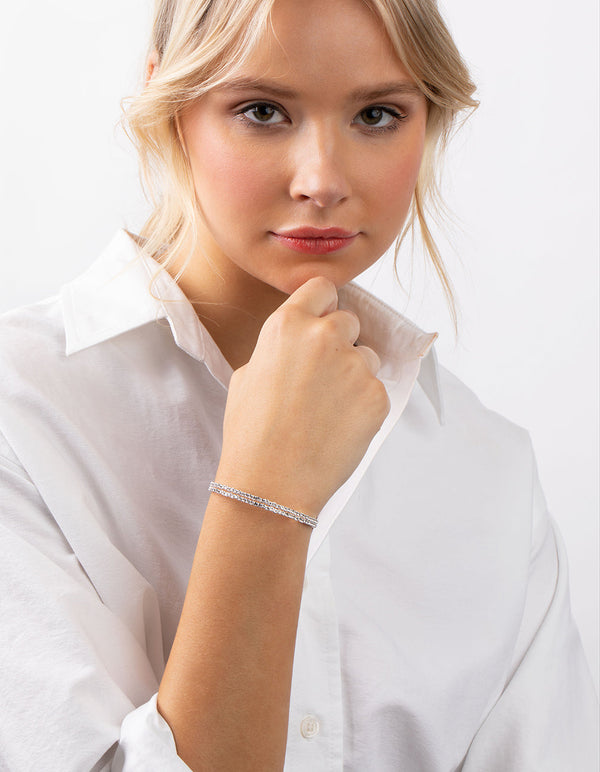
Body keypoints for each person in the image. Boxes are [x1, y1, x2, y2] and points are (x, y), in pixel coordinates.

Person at [0, 0, 597, 769]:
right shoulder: (27, 414)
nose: (322, 180)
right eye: (262, 111)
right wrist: (266, 492)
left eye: (378, 114)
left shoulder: (488, 468)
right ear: (172, 109)